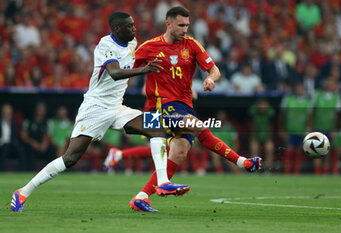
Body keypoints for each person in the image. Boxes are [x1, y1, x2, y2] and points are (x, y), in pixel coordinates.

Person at [11, 12, 189, 212]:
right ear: (117, 29)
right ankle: (23, 191)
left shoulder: (132, 43)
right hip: (95, 108)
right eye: (129, 27)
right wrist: (144, 70)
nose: (134, 29)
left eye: (134, 25)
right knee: (70, 158)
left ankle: (162, 182)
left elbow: (139, 61)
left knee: (156, 127)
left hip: (116, 106)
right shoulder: (105, 45)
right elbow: (114, 73)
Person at [105, 6, 262, 212]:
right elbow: (126, 68)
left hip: (184, 105)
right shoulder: (150, 47)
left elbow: (214, 70)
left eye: (187, 25)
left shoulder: (192, 45)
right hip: (160, 107)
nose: (185, 29)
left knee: (178, 154)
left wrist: (210, 79)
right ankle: (242, 162)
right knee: (197, 127)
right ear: (168, 24)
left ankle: (141, 198)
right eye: (181, 25)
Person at [0, 103, 25, 171]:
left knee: (21, 150)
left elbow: (16, 136)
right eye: (6, 111)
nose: (7, 113)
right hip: (2, 145)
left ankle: (22, 171)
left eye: (9, 111)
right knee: (4, 149)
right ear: (2, 111)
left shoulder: (13, 123)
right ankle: (1, 171)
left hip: (11, 145)